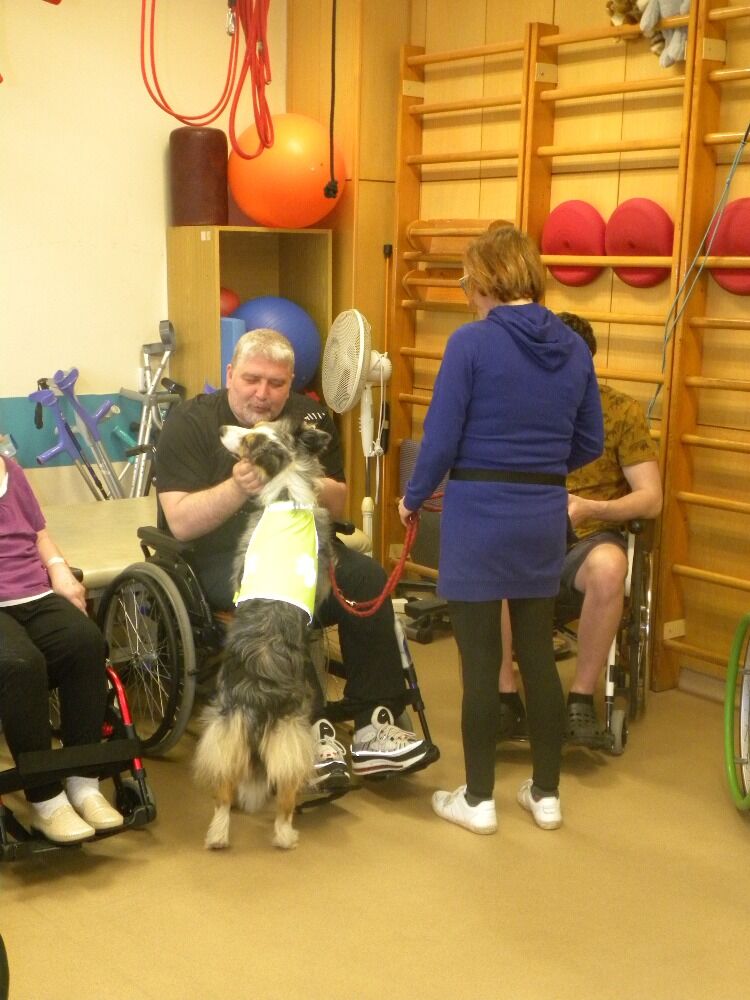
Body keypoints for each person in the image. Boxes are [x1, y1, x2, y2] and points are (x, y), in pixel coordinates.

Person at [155, 328, 435, 788]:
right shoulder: (190, 422)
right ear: (230, 374)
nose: (262, 394)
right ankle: (308, 725)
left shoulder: (309, 417)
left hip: (302, 541)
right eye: (251, 379)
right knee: (280, 591)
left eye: (276, 383)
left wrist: (293, 473)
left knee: (367, 577)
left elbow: (339, 502)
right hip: (222, 555)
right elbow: (181, 522)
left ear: (291, 383)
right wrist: (240, 485)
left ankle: (376, 720)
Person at [398, 226, 604, 835]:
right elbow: (589, 440)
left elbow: (440, 438)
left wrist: (413, 498)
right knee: (538, 654)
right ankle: (546, 795)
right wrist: (541, 470)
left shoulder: (471, 343)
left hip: (479, 515)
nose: (467, 294)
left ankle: (479, 798)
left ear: (486, 279)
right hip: (542, 516)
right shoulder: (573, 346)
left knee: (482, 658)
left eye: (467, 281)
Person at [498, 312, 663, 742]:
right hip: (521, 536)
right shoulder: (514, 406)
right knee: (489, 563)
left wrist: (592, 508)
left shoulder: (620, 411)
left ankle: (581, 700)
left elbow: (651, 497)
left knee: (610, 567)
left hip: (586, 539)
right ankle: (504, 697)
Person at [0, 454, 124, 844]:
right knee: (22, 663)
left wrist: (58, 569)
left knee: (86, 642)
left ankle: (83, 783)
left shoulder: (10, 469)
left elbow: (38, 532)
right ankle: (46, 800)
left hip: (33, 592)